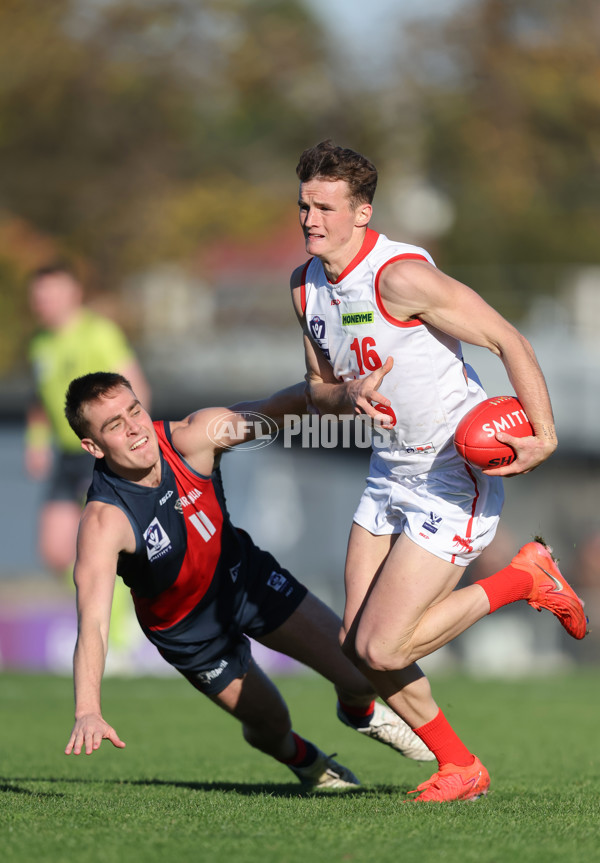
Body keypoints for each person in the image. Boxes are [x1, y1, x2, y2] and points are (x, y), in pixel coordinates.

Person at [290, 139, 588, 802]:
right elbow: (318, 388)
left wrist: (543, 431)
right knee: (356, 649)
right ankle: (460, 766)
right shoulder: (305, 286)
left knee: (384, 646)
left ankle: (521, 578)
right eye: (304, 204)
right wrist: (349, 395)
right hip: (388, 469)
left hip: (453, 470)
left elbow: (510, 338)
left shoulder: (400, 278)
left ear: (362, 213)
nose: (311, 219)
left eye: (325, 207)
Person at [62, 371, 435, 790]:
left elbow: (271, 412)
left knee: (362, 676)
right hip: (190, 632)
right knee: (271, 723)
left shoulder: (193, 438)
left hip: (246, 580)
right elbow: (92, 623)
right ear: (92, 446)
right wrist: (87, 709)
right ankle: (304, 759)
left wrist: (338, 393)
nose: (135, 429)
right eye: (114, 425)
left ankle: (359, 713)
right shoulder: (103, 521)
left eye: (135, 410)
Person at [26, 262, 151, 580]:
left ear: (73, 294)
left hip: (102, 453)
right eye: (38, 296)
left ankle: (120, 625)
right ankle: (95, 609)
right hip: (68, 454)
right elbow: (41, 398)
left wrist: (131, 444)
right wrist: (36, 443)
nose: (43, 303)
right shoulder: (40, 343)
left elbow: (135, 387)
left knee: (103, 545)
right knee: (56, 550)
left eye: (51, 295)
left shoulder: (98, 333)